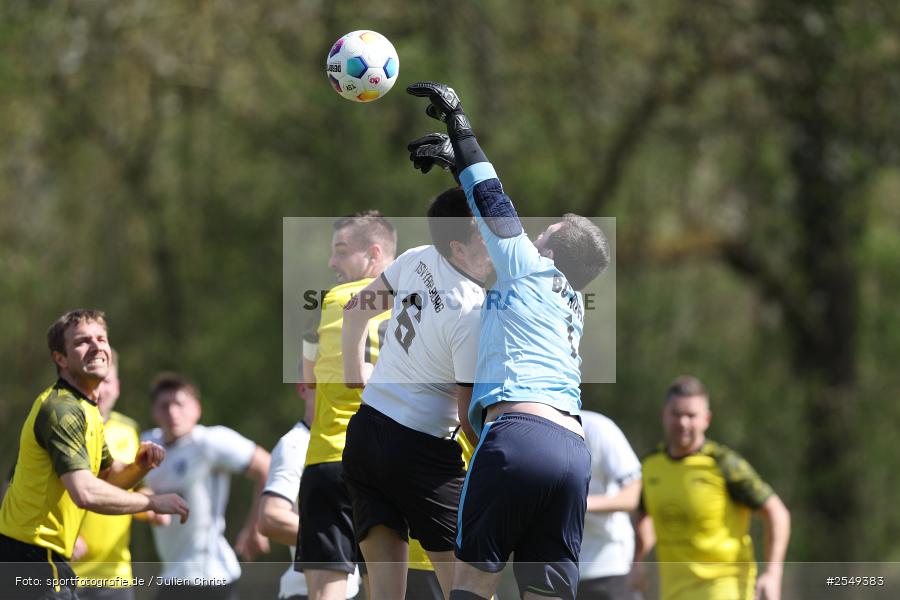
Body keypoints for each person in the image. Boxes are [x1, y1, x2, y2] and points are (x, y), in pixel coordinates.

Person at [407, 81, 611, 600]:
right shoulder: (568, 303)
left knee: (471, 584)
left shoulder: (530, 271)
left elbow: (493, 199)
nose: (531, 233)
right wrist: (455, 164)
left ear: (549, 246)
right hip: (573, 452)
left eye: (542, 232)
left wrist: (460, 126)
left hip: (519, 439)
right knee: (546, 592)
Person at [341, 188, 492, 599]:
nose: (499, 236)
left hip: (365, 434)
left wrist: (356, 376)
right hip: (420, 455)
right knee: (468, 589)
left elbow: (355, 310)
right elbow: (467, 420)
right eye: (487, 232)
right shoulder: (473, 312)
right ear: (461, 248)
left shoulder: (419, 255)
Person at [0, 309, 189, 599]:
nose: (97, 346)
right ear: (60, 358)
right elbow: (85, 493)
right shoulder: (61, 409)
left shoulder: (87, 409)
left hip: (44, 561)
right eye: (82, 342)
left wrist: (139, 466)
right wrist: (151, 502)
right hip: (31, 559)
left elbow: (107, 477)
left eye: (101, 338)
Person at [296, 212, 397, 600]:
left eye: (340, 252)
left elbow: (310, 383)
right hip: (391, 465)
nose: (331, 263)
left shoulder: (328, 302)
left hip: (330, 458)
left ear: (373, 254)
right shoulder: (421, 304)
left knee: (327, 593)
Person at [633, 376, 791, 600]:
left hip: (725, 588)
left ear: (706, 419)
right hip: (673, 592)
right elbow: (643, 512)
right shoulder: (650, 466)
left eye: (691, 416)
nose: (683, 423)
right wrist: (637, 561)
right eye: (676, 414)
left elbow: (777, 513)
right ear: (663, 416)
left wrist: (773, 574)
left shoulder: (724, 464)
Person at [141, 372, 271, 600]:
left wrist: (257, 527)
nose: (172, 412)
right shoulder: (147, 445)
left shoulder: (210, 442)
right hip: (172, 575)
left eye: (179, 404)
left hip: (210, 574)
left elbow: (267, 466)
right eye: (164, 405)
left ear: (196, 409)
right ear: (154, 412)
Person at [73, 349, 166, 600]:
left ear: (118, 387)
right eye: (94, 381)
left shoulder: (130, 429)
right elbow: (23, 491)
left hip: (116, 577)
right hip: (63, 574)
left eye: (108, 382)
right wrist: (59, 536)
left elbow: (133, 491)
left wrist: (153, 510)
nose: (101, 390)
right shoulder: (61, 427)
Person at [257, 384, 361, 600]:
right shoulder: (294, 445)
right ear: (303, 389)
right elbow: (270, 518)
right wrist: (341, 538)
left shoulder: (348, 443)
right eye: (324, 382)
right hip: (304, 592)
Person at [577, 411, 642, 600]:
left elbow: (632, 495)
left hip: (609, 566)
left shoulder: (598, 428)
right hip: (560, 571)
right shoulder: (533, 431)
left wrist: (578, 504)